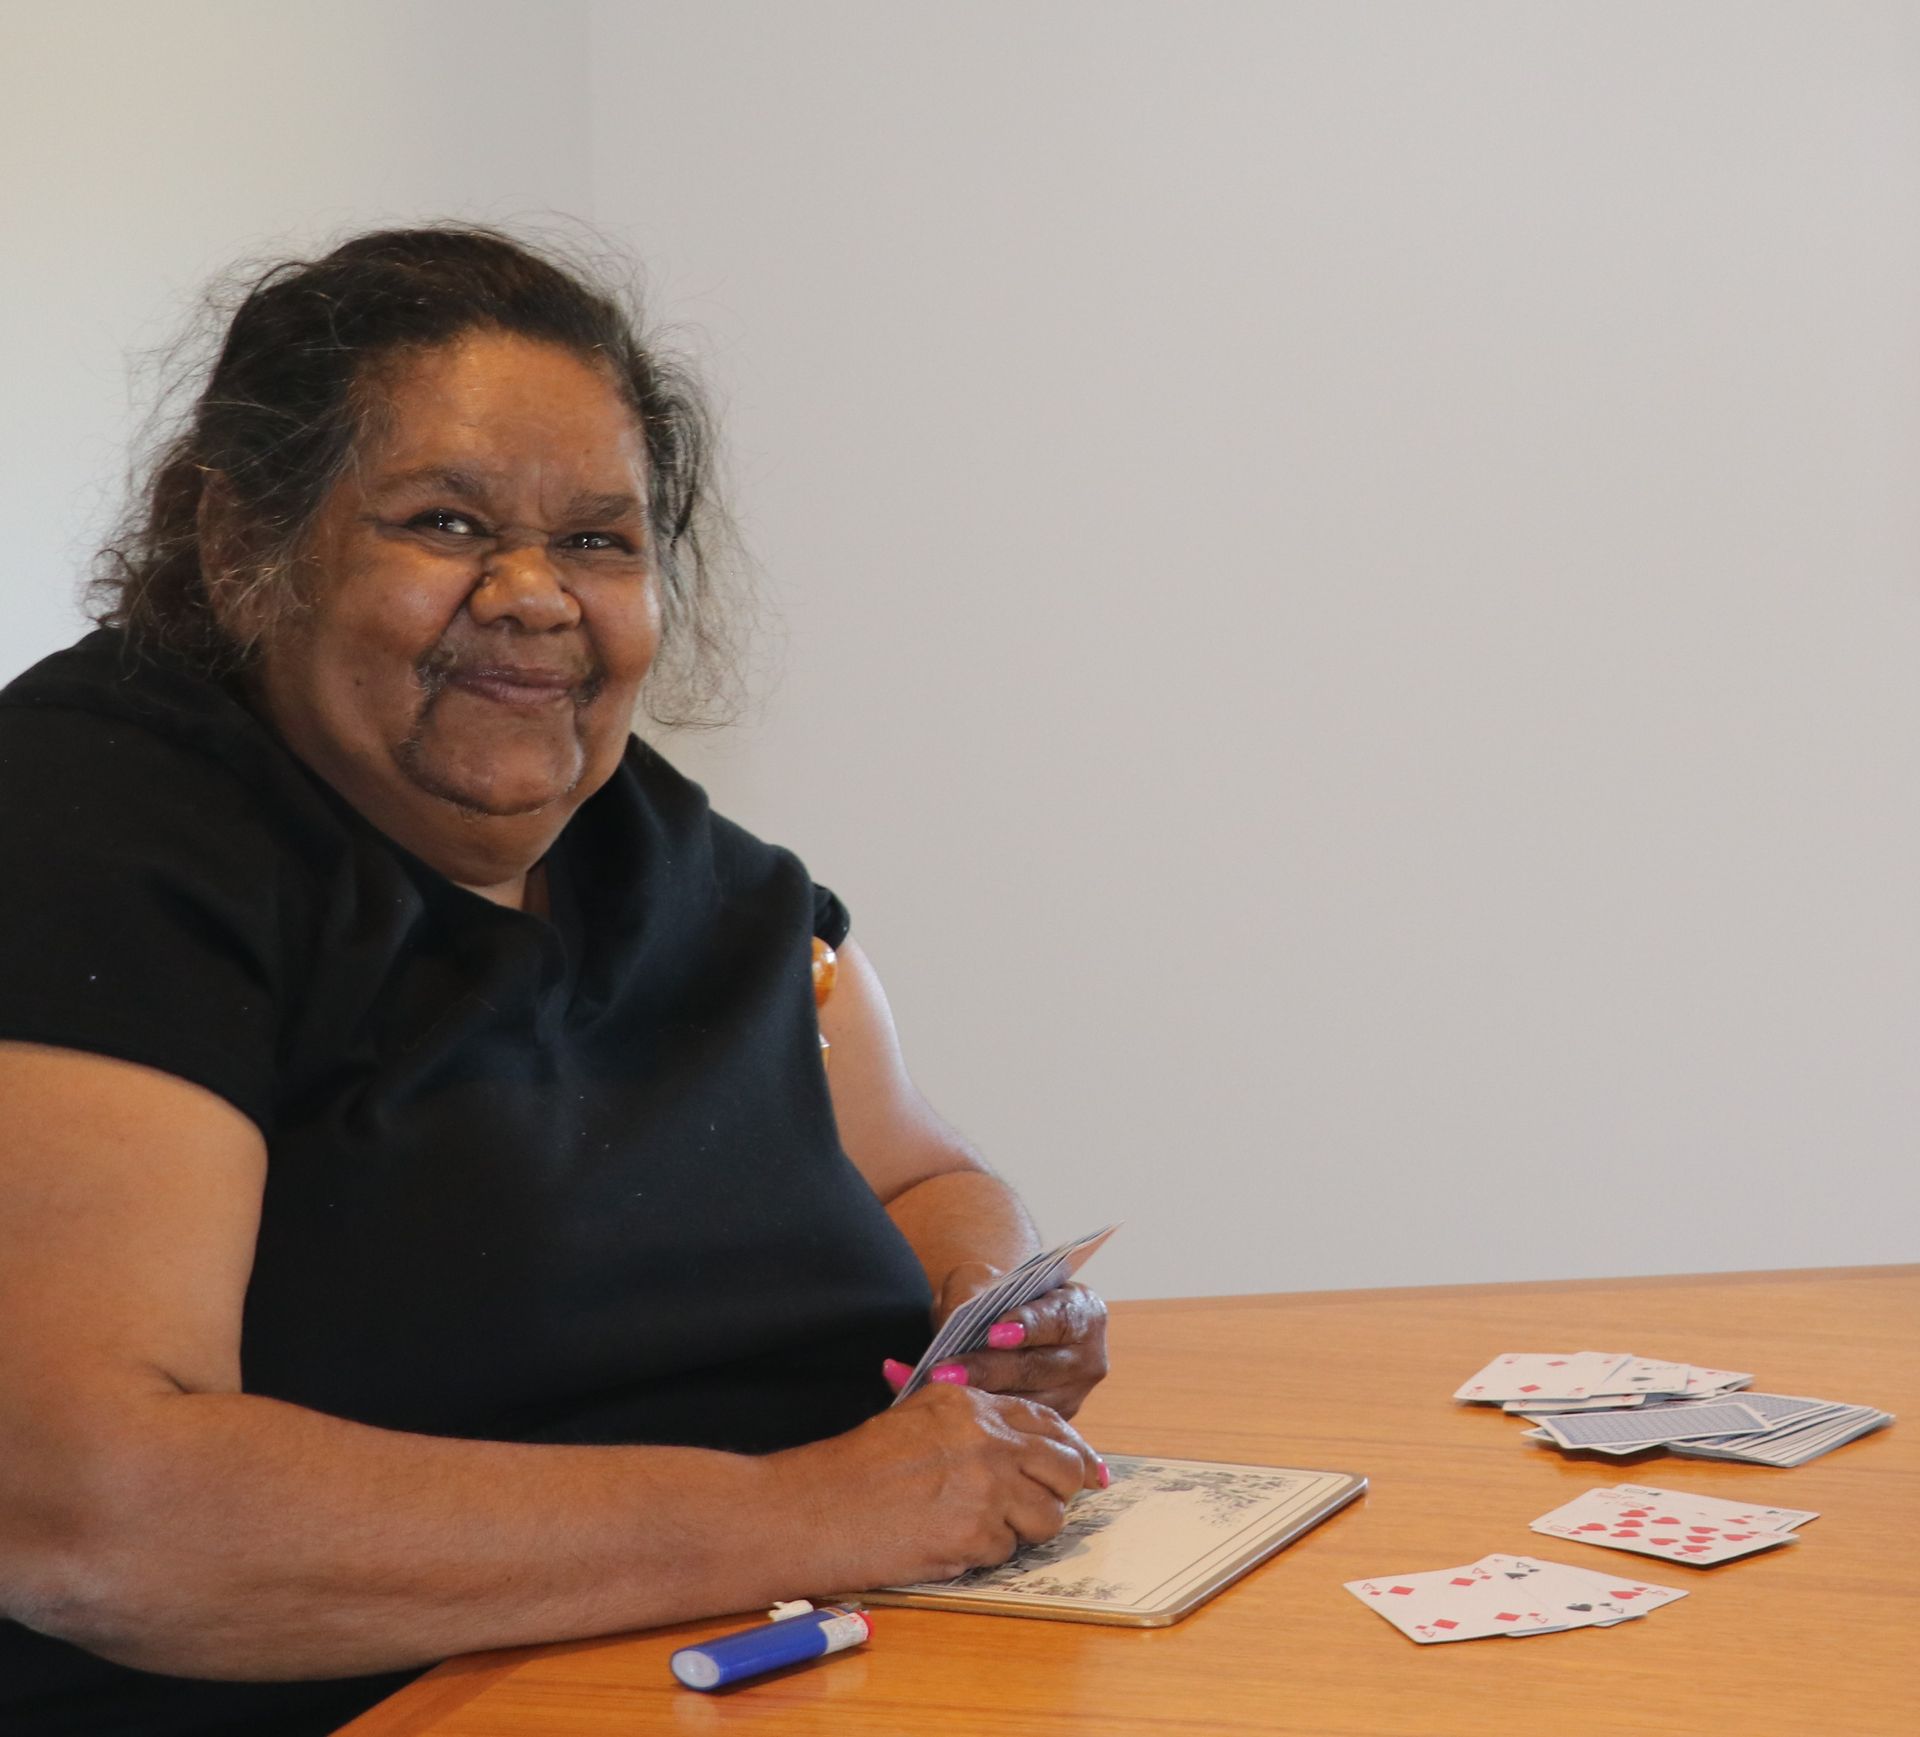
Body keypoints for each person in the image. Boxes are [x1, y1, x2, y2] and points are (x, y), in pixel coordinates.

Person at [0, 227, 1109, 1737]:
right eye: (447, 523)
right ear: (236, 540)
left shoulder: (677, 858)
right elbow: (86, 1515)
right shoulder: (90, 836)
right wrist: (800, 1512)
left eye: (597, 540)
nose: (534, 597)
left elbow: (922, 1179)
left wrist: (995, 1301)